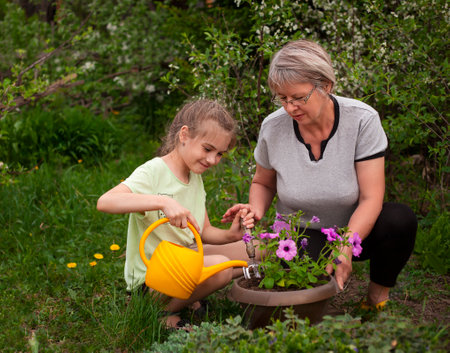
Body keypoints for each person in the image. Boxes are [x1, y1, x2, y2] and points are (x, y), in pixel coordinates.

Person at [222, 39, 417, 310]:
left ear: (326, 85)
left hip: (358, 229)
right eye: (283, 98)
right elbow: (263, 182)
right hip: (303, 233)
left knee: (399, 220)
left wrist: (345, 246)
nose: (290, 108)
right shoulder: (273, 127)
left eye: (299, 98)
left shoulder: (362, 120)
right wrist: (255, 209)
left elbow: (372, 198)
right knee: (300, 296)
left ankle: (376, 299)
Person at [97, 99, 253, 330]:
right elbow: (105, 202)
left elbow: (204, 231)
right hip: (154, 277)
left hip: (186, 258)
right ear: (184, 135)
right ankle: (157, 310)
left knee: (262, 247)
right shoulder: (154, 171)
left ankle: (187, 297)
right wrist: (162, 201)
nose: (212, 160)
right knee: (221, 269)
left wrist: (232, 235)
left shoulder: (194, 176)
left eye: (219, 154)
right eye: (207, 149)